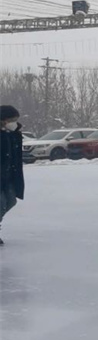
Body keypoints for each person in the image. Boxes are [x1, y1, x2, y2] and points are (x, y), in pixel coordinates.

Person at [0, 105, 25, 246]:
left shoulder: (14, 134)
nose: (14, 122)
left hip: (8, 176)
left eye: (16, 119)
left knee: (11, 201)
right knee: (1, 203)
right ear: (3, 120)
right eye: (12, 119)